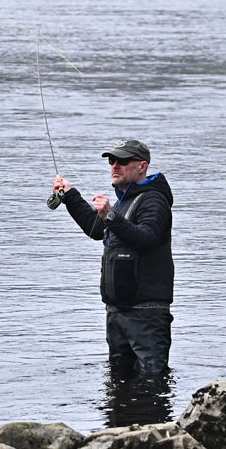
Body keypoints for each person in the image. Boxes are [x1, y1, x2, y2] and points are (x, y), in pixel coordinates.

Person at [52, 138, 174, 378]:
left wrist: (111, 216)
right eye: (112, 160)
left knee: (152, 381)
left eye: (123, 160)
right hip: (118, 312)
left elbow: (147, 238)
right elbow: (96, 230)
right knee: (118, 380)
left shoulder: (154, 200)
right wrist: (71, 195)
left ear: (142, 166)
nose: (115, 166)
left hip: (147, 315)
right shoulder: (124, 200)